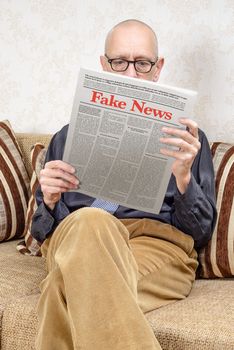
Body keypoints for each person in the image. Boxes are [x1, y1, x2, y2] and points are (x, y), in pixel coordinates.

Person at [32, 19, 217, 350]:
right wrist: (47, 200)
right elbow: (42, 231)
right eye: (119, 62)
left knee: (59, 290)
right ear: (104, 65)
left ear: (157, 68)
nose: (131, 75)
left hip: (155, 244)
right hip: (74, 239)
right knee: (90, 220)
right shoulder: (66, 137)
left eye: (142, 63)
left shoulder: (187, 140)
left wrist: (184, 178)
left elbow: (201, 233)